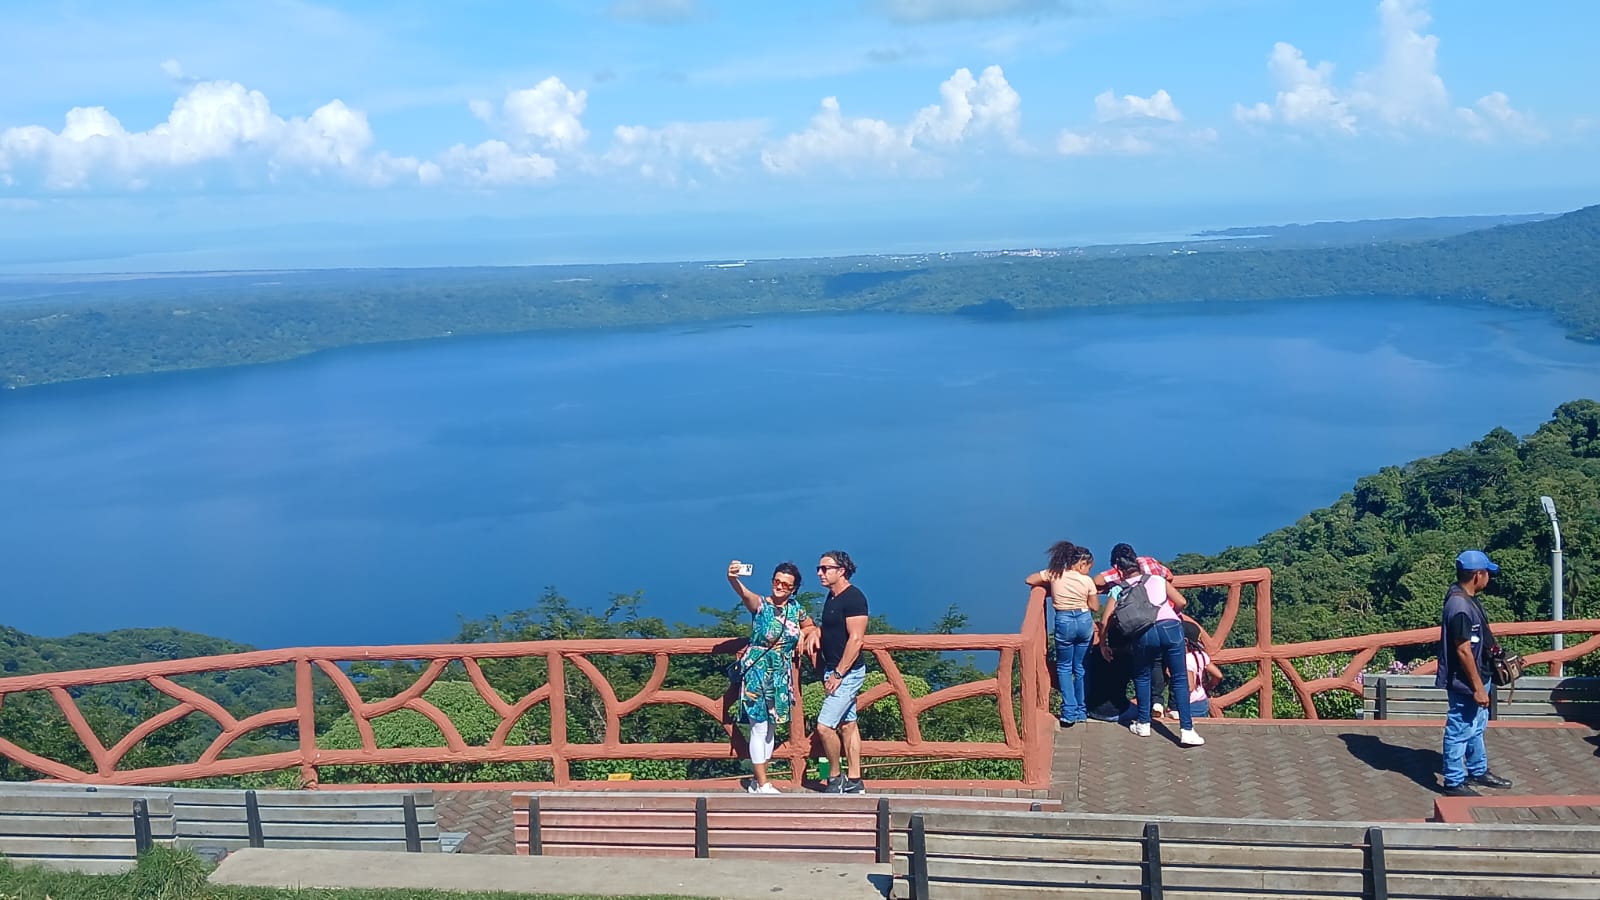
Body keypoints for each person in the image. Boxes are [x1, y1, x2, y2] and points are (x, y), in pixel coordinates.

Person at [727, 560, 819, 794]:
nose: (779, 587)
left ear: (794, 589)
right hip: (758, 673)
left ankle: (758, 780)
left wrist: (804, 635)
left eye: (786, 585)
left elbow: (810, 626)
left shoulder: (796, 609)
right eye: (776, 582)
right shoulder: (761, 605)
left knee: (770, 729)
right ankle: (762, 783)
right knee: (759, 727)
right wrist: (732, 578)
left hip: (780, 675)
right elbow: (744, 594)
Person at [1100, 546, 1204, 747]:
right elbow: (1181, 602)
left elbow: (1105, 621)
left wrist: (1104, 644)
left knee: (1143, 676)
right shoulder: (1157, 580)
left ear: (1118, 569)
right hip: (1170, 627)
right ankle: (1187, 730)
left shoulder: (1119, 589)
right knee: (1180, 677)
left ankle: (1143, 723)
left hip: (1143, 633)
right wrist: (1170, 613)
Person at [1436, 550, 1514, 797]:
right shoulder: (1460, 607)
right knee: (1460, 727)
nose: (1489, 578)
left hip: (1479, 675)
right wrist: (1478, 687)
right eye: (1487, 573)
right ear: (1478, 575)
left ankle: (1478, 770)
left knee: (1476, 725)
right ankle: (1453, 781)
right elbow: (1463, 650)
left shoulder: (1465, 598)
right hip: (1466, 681)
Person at [1026, 542, 1099, 726]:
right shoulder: (1087, 581)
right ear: (1082, 564)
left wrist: (1050, 581)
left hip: (1064, 620)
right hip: (1084, 621)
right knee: (1081, 667)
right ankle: (1082, 710)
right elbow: (1095, 606)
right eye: (1089, 567)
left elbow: (1030, 579)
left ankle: (1068, 711)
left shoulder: (1055, 573)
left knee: (1064, 667)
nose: (1088, 571)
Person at [815, 550, 868, 794]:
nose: (820, 573)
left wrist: (838, 674)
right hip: (834, 670)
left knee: (824, 727)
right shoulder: (832, 596)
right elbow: (831, 628)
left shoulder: (854, 598)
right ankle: (855, 780)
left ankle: (834, 778)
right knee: (848, 724)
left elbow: (856, 639)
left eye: (825, 569)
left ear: (841, 571)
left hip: (847, 673)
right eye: (819, 568)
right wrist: (814, 632)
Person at [1179, 619, 1223, 718]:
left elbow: (1190, 687)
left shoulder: (1186, 660)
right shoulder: (1201, 655)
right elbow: (1218, 675)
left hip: (1190, 704)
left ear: (1185, 641)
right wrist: (1209, 686)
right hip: (1202, 700)